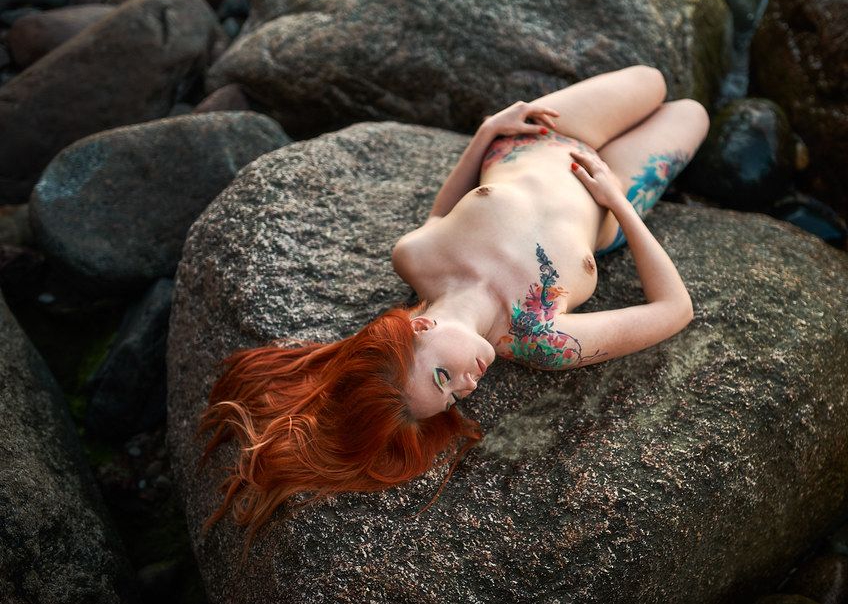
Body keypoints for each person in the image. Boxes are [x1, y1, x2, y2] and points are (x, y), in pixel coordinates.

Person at [196, 65, 710, 561]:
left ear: (418, 327)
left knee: (651, 79)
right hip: (610, 200)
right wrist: (618, 202)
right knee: (692, 113)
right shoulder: (540, 338)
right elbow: (674, 308)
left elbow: (441, 214)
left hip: (537, 139)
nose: (468, 387)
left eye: (443, 377)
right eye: (452, 399)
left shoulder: (416, 257)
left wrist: (487, 132)